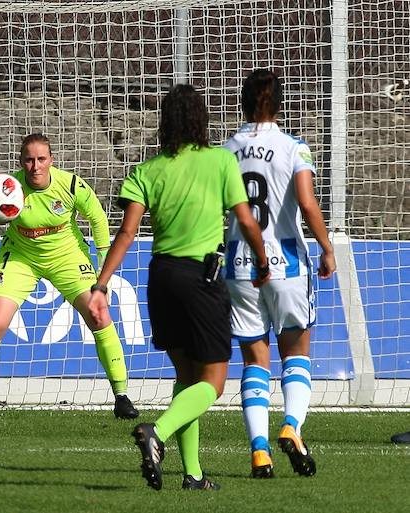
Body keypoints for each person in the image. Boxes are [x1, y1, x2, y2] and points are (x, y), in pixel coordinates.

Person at [88, 84, 270, 491]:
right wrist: (261, 260)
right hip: (201, 278)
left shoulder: (147, 170)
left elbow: (127, 232)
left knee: (186, 377)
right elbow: (245, 218)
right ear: (201, 120)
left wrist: (102, 284)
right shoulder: (220, 162)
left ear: (164, 122)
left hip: (161, 278)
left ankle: (193, 475)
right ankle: (159, 433)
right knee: (213, 383)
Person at [0, 133, 138, 420]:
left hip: (67, 256)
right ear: (21, 162)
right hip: (21, 257)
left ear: (51, 160)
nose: (35, 166)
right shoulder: (9, 188)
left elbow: (97, 217)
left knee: (99, 316)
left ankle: (122, 397)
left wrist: (103, 268)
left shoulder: (70, 184)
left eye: (41, 159)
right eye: (29, 160)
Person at [224, 69, 336, 479]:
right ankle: (291, 424)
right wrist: (326, 247)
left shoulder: (226, 149)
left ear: (242, 101)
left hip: (239, 262)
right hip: (286, 261)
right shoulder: (294, 148)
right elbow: (307, 205)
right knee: (296, 353)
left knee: (255, 358)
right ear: (281, 104)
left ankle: (259, 451)